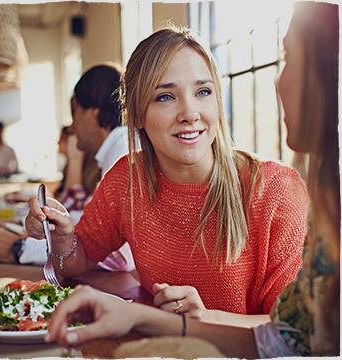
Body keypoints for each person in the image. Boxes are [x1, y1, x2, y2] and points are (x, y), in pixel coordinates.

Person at [45, 2, 339, 357]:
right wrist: (62, 240)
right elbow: (74, 261)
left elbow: (289, 338)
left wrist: (204, 318)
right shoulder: (127, 180)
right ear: (137, 113)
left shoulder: (276, 190)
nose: (190, 113)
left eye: (203, 91)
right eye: (166, 96)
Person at [0, 64, 136, 272]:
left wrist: (20, 248)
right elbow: (94, 228)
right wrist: (51, 227)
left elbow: (118, 256)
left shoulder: (123, 154)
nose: (73, 125)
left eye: (75, 112)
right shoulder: (118, 148)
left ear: (93, 113)